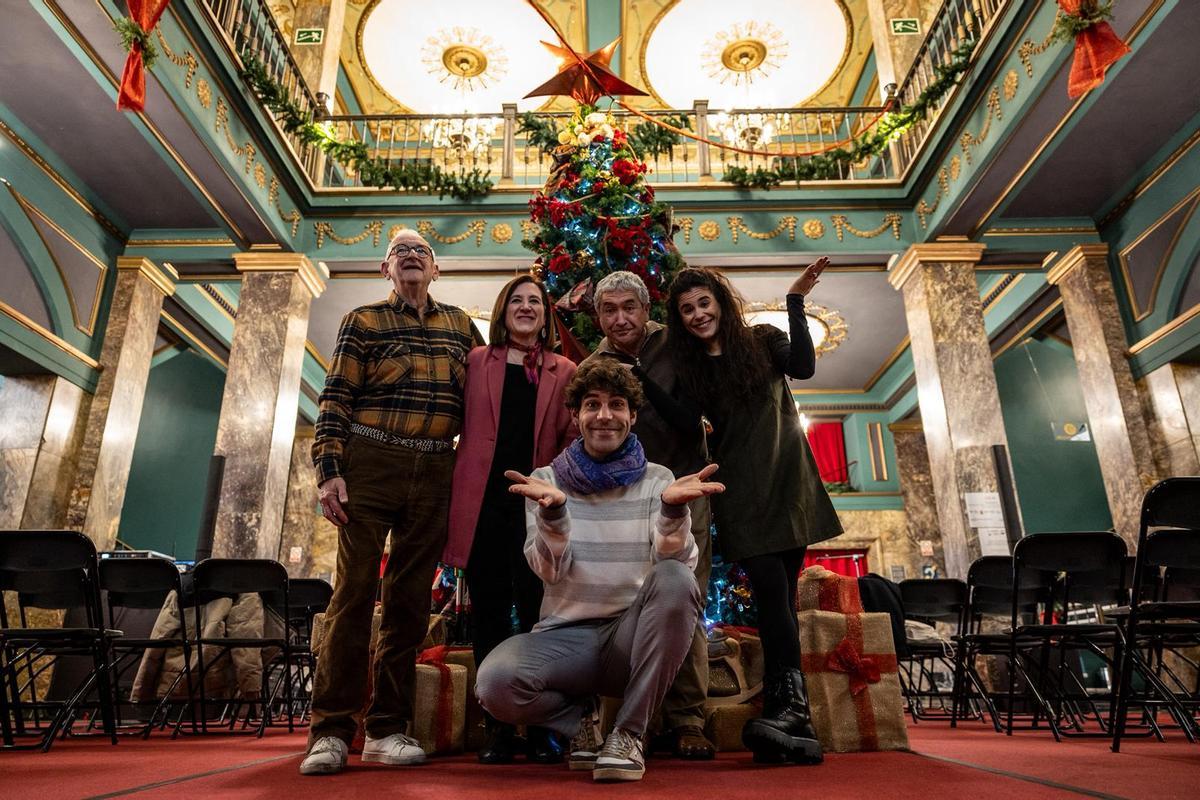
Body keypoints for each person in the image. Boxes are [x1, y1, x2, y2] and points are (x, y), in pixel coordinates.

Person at [474, 360, 725, 782]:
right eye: (592, 405)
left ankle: (628, 734)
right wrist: (553, 516)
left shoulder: (658, 480)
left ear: (632, 415)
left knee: (677, 578)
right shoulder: (546, 480)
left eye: (616, 405)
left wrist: (671, 512)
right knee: (495, 684)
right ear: (576, 416)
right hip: (566, 640)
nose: (604, 415)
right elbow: (549, 573)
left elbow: (677, 572)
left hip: (631, 639)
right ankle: (581, 724)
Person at [301, 231, 478, 776]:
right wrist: (329, 471)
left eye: (421, 250)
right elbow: (335, 398)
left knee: (409, 604)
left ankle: (385, 729)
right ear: (385, 269)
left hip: (437, 468)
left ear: (436, 269)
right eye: (400, 251)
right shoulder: (363, 321)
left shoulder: (460, 326)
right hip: (370, 462)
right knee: (354, 595)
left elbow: (489, 388)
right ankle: (331, 732)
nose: (411, 255)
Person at [665, 260, 842, 765]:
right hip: (741, 494)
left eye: (704, 303)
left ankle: (793, 713)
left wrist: (795, 301)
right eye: (687, 309)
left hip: (788, 484)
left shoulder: (763, 340)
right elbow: (683, 421)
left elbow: (804, 367)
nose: (698, 314)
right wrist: (638, 375)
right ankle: (791, 711)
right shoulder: (692, 368)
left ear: (720, 302)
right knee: (769, 596)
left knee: (781, 597)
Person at [442, 274, 578, 764]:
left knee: (542, 616)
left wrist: (556, 489)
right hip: (483, 507)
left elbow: (571, 438)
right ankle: (497, 727)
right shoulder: (477, 361)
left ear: (545, 314)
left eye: (534, 301)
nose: (525, 307)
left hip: (537, 509)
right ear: (503, 311)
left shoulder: (565, 369)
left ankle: (543, 726)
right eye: (516, 300)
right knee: (490, 615)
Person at [582, 271, 715, 759]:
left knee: (685, 601)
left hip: (684, 490)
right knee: (625, 605)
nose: (620, 319)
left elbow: (698, 412)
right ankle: (637, 720)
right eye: (609, 310)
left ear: (645, 308)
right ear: (598, 317)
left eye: (628, 307)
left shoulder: (677, 343)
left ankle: (687, 720)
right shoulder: (594, 365)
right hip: (624, 500)